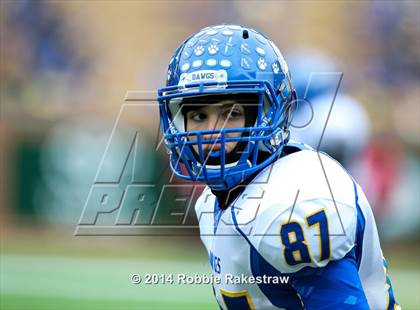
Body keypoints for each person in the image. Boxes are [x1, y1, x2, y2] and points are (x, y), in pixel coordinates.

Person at [157, 24, 399, 309]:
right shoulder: (213, 201)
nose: (212, 131)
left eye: (231, 113)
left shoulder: (293, 198)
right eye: (198, 115)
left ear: (269, 114)